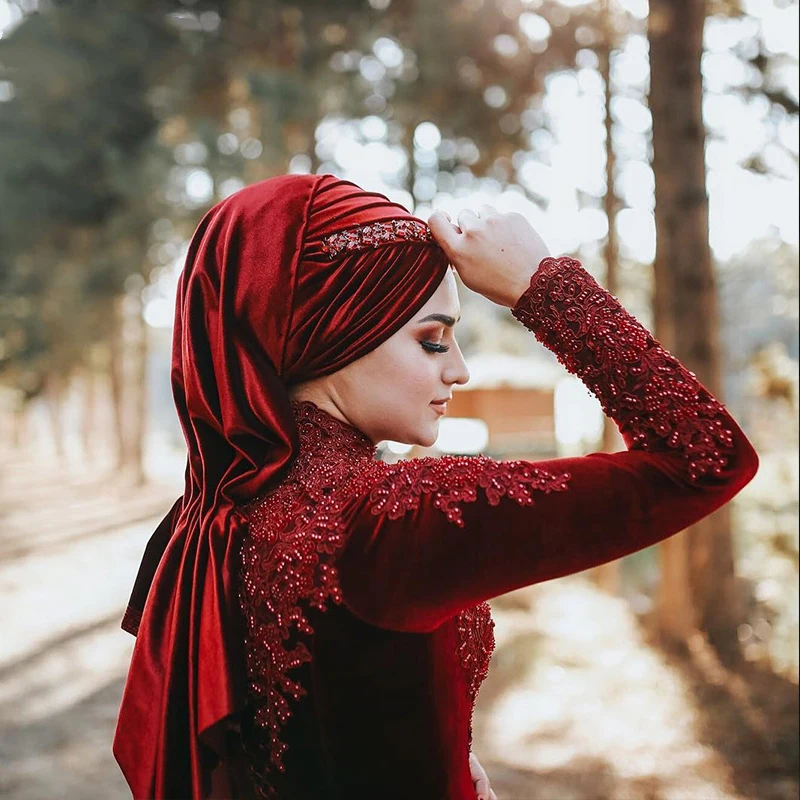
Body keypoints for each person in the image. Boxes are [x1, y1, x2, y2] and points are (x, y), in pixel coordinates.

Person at [113, 173, 759, 800]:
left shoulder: (213, 516)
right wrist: (542, 286)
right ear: (334, 334)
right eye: (432, 340)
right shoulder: (391, 518)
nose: (461, 369)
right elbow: (705, 454)